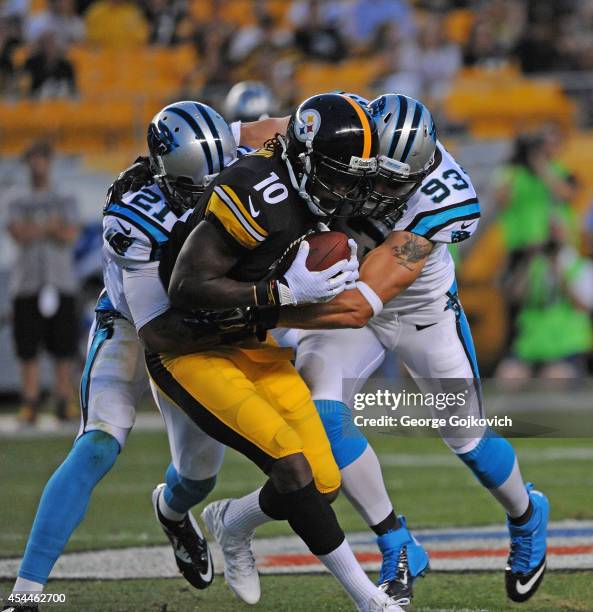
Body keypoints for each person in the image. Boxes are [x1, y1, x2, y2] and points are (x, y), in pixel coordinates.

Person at [255, 94, 548, 605]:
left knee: (470, 443)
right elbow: (273, 131)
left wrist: (259, 310)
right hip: (346, 298)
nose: (379, 189)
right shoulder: (352, 133)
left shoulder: (444, 201)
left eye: (394, 181)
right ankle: (397, 543)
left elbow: (361, 304)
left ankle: (526, 515)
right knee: (323, 416)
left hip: (414, 313)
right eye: (374, 173)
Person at [3, 103, 287, 611]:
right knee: (97, 445)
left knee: (199, 477)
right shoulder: (131, 215)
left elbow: (291, 125)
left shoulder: (224, 147)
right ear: (166, 176)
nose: (215, 194)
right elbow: (160, 329)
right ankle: (28, 593)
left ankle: (171, 512)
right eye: (199, 186)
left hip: (200, 316)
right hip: (141, 323)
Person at [151, 93, 403, 611]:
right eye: (338, 174)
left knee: (324, 482)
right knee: (292, 471)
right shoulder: (254, 191)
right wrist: (279, 294)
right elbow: (186, 284)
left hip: (248, 338)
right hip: (191, 347)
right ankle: (368, 600)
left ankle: (233, 523)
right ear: (305, 159)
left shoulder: (314, 186)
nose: (347, 189)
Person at [6, 140, 80, 424]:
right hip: (26, 282)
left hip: (60, 280)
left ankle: (63, 400)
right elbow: (16, 232)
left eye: (42, 158)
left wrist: (38, 228)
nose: (38, 164)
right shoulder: (15, 196)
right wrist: (50, 227)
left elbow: (70, 233)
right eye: (33, 158)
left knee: (63, 346)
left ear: (50, 161)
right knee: (28, 348)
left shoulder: (65, 195)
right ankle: (31, 402)